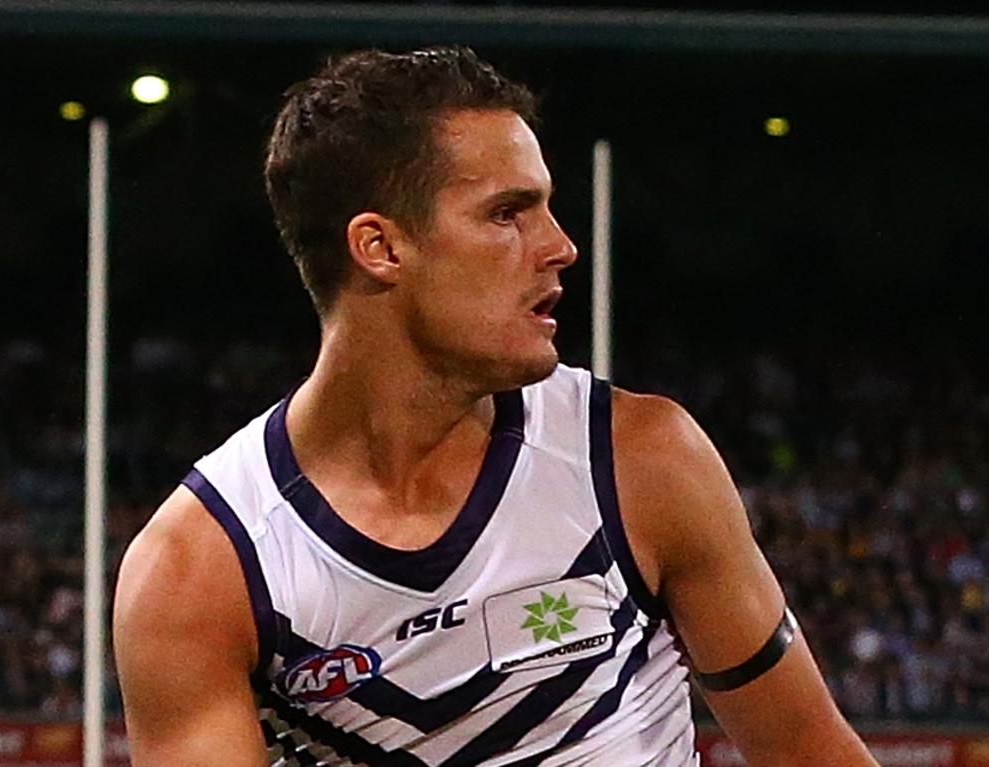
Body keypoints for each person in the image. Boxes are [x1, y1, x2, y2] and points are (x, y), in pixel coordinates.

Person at [113, 46, 878, 766]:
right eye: (507, 213)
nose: (560, 245)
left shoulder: (637, 458)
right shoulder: (199, 571)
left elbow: (811, 753)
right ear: (380, 247)